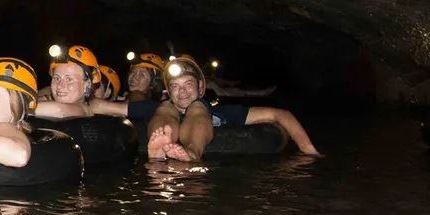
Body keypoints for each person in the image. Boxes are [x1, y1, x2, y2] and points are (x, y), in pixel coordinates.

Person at [135, 55, 320, 161]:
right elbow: (117, 108)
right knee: (164, 108)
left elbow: (279, 114)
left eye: (188, 84)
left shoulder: (221, 112)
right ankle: (160, 148)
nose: (182, 91)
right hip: (163, 124)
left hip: (199, 130)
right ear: (168, 90)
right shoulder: (155, 107)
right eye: (175, 85)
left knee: (198, 107)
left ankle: (191, 152)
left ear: (201, 87)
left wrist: (308, 150)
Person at [34, 45, 125, 119]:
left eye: (69, 79)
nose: (60, 86)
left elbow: (60, 110)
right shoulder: (46, 99)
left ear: (87, 85)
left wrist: (25, 106)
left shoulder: (84, 108)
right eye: (56, 78)